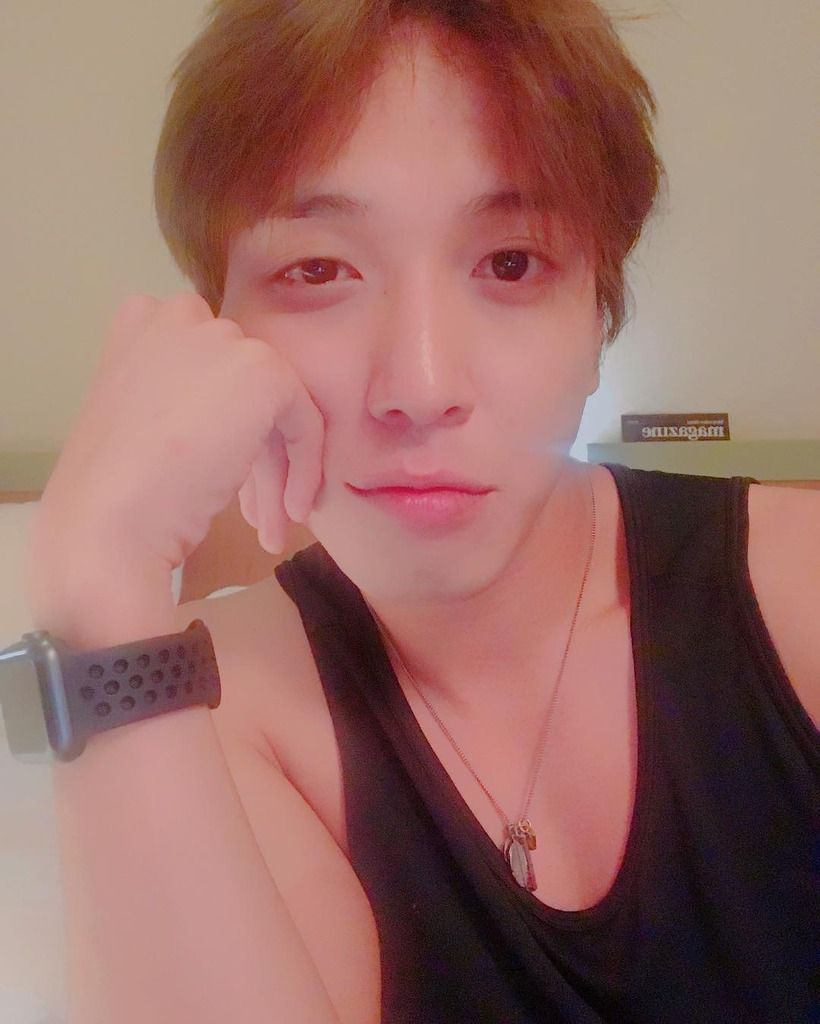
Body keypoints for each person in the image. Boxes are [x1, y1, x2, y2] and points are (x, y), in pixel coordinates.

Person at [23, 1, 818, 1022]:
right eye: (319, 269)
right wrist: (99, 579)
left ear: (598, 318)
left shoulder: (794, 588)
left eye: (511, 262)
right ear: (222, 331)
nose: (421, 385)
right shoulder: (215, 705)